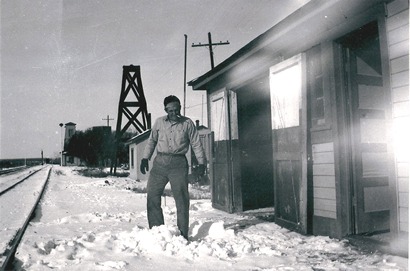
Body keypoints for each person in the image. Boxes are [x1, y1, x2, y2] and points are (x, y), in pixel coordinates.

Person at [140, 95, 206, 240]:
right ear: (166, 110)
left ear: (180, 108)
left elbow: (196, 144)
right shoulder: (159, 123)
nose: (174, 114)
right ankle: (157, 232)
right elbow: (151, 141)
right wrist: (145, 158)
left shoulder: (188, 123)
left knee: (181, 199)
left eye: (177, 110)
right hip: (160, 164)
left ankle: (183, 235)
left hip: (178, 164)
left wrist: (202, 163)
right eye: (170, 111)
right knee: (152, 195)